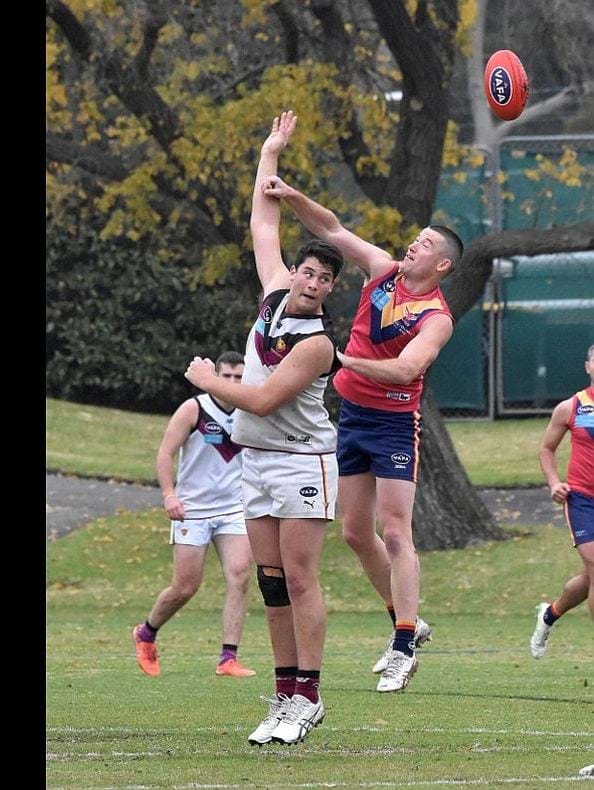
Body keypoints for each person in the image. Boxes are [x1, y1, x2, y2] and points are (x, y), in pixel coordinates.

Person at [263, 152, 461, 693]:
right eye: (415, 239)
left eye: (424, 244)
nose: (413, 245)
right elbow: (331, 228)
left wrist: (346, 360)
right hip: (350, 418)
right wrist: (290, 194)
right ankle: (410, 619)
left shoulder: (435, 317)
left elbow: (409, 367)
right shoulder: (382, 271)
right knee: (354, 532)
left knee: (396, 530)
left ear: (441, 264)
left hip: (394, 425)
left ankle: (401, 645)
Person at [184, 111, 344, 746]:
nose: (310, 282)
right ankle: (283, 695)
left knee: (300, 578)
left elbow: (264, 399)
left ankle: (311, 694)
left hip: (302, 464)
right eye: (307, 271)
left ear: (331, 290)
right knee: (270, 582)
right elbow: (263, 219)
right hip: (254, 463)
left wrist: (207, 380)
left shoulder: (318, 344)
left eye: (323, 279)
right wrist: (269, 153)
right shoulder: (275, 293)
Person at [133, 351, 257, 680]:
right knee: (185, 587)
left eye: (238, 377)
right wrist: (169, 495)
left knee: (240, 574)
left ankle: (228, 658)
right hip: (192, 510)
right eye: (227, 376)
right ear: (214, 375)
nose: (232, 382)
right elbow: (164, 453)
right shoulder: (195, 408)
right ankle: (146, 633)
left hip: (233, 508)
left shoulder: (251, 407)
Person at [532, 344, 594, 657]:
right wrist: (554, 483)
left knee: (588, 578)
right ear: (588, 367)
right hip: (583, 500)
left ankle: (549, 615)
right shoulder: (571, 407)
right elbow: (546, 449)